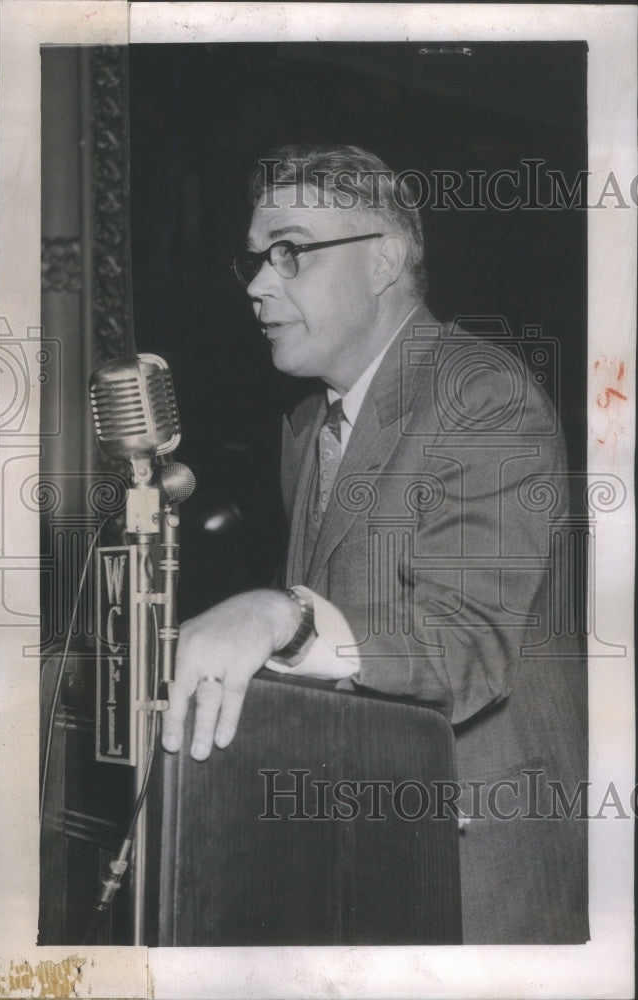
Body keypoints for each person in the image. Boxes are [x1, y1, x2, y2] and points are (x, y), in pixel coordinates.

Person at [162, 144, 588, 943]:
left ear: (383, 259)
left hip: (481, 862)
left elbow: (464, 652)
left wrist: (275, 615)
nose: (257, 286)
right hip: (370, 845)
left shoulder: (480, 395)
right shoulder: (304, 422)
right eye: (253, 260)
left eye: (289, 251)